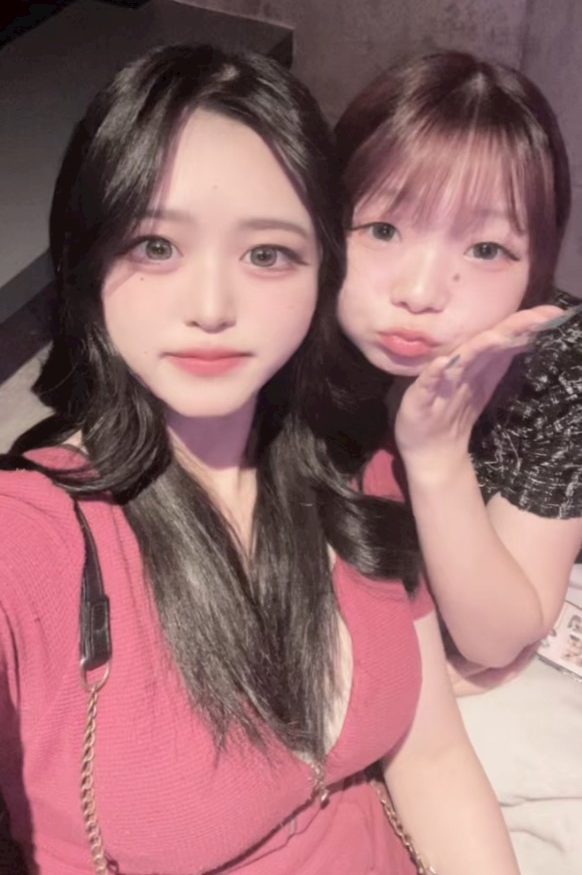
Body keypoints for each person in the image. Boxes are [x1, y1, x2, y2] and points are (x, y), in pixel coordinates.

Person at [0, 44, 520, 875]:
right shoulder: (29, 542)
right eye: (155, 246)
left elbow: (433, 760)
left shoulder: (353, 468)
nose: (212, 307)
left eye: (267, 254)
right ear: (88, 258)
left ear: (322, 272)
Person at [334, 49, 582, 874]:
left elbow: (496, 636)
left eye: (485, 250)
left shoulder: (556, 363)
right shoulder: (293, 329)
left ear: (536, 267)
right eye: (383, 230)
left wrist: (437, 458)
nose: (421, 290)